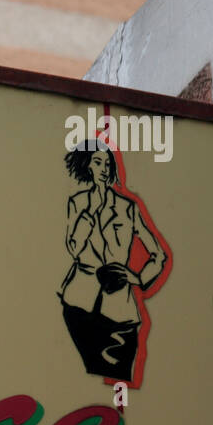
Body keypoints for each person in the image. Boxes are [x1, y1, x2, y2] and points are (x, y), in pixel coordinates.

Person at [57, 139, 167, 383]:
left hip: (120, 308)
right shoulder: (77, 203)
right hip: (79, 303)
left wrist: (138, 278)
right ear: (88, 166)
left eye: (108, 163)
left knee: (120, 372)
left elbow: (158, 254)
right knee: (86, 379)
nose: (104, 168)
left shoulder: (128, 208)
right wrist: (90, 212)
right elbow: (74, 247)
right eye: (98, 162)